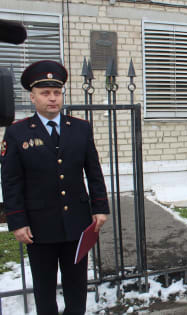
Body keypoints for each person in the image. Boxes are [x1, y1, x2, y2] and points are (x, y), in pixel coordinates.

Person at [1, 60, 110, 315]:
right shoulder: (17, 134)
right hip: (39, 228)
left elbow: (93, 172)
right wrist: (17, 221)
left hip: (77, 223)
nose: (52, 99)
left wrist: (100, 207)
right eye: (45, 93)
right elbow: (11, 182)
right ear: (33, 97)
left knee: (77, 289)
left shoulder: (81, 129)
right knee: (44, 290)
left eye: (57, 93)